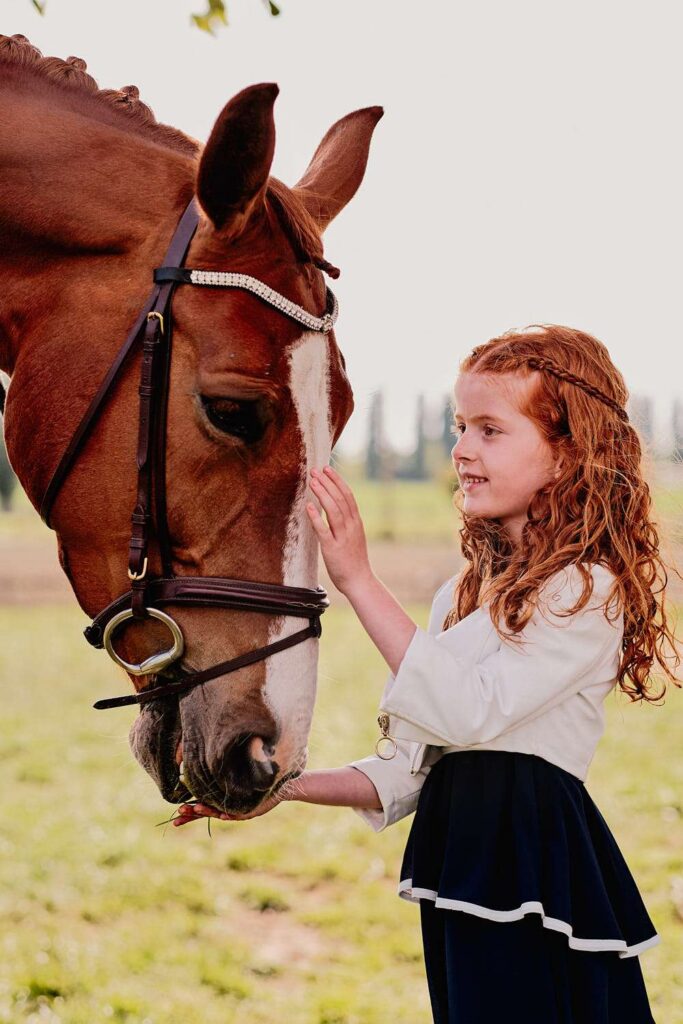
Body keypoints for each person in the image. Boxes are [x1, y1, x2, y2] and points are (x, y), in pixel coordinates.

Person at [175, 324, 680, 1023]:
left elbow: (471, 712)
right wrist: (280, 788)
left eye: (490, 431)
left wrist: (357, 580)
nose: (462, 450)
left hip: (529, 864)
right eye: (458, 426)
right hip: (460, 860)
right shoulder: (457, 598)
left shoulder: (589, 589)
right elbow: (411, 769)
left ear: (567, 455)